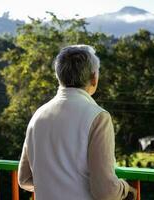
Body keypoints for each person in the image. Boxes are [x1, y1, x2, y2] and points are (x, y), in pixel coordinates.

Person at [18, 45, 136, 200]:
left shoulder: (38, 116)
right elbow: (105, 191)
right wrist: (126, 189)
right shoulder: (98, 117)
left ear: (59, 77)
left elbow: (24, 178)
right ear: (94, 77)